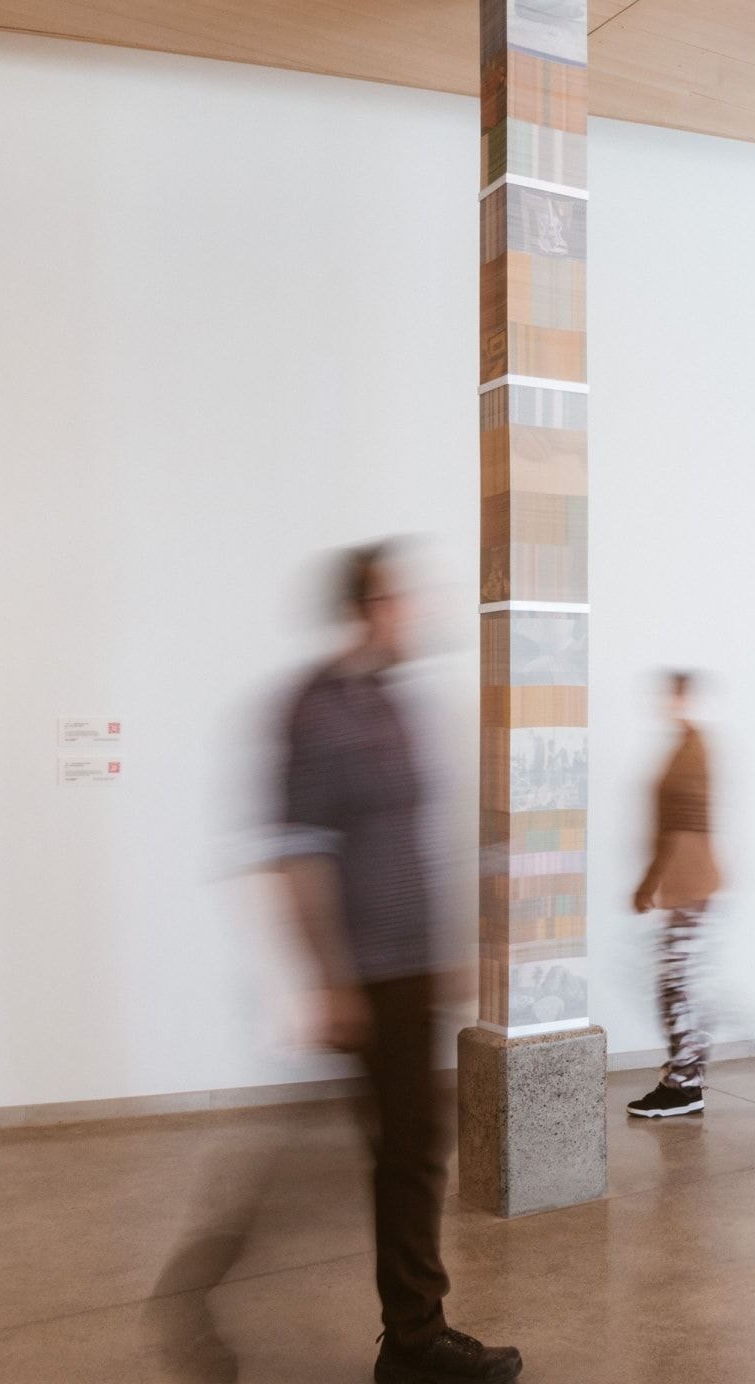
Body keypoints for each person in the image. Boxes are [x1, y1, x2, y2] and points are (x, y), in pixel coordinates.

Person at [272, 542, 521, 1384]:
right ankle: (414, 1341)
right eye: (396, 597)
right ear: (363, 608)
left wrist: (450, 951)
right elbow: (299, 852)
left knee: (412, 1150)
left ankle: (414, 1332)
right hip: (368, 973)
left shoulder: (392, 702)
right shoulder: (318, 706)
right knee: (406, 1154)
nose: (410, 609)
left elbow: (413, 838)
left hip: (410, 967)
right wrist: (332, 980)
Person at [627, 671, 722, 1117]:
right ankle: (688, 1076)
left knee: (674, 982)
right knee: (676, 980)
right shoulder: (686, 745)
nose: (670, 702)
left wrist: (651, 882)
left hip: (690, 881)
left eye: (677, 694)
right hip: (686, 880)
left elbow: (681, 822)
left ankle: (684, 1084)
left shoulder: (692, 750)